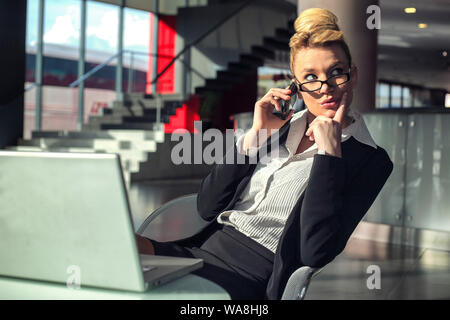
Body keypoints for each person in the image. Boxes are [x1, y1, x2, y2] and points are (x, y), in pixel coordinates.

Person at [135, 8, 393, 300]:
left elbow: (315, 250)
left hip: (253, 278)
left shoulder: (372, 161)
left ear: (353, 75)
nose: (325, 89)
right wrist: (256, 135)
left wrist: (329, 153)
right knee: (120, 249)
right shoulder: (278, 127)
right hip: (200, 251)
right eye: (310, 77)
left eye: (336, 73)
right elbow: (207, 206)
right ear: (296, 88)